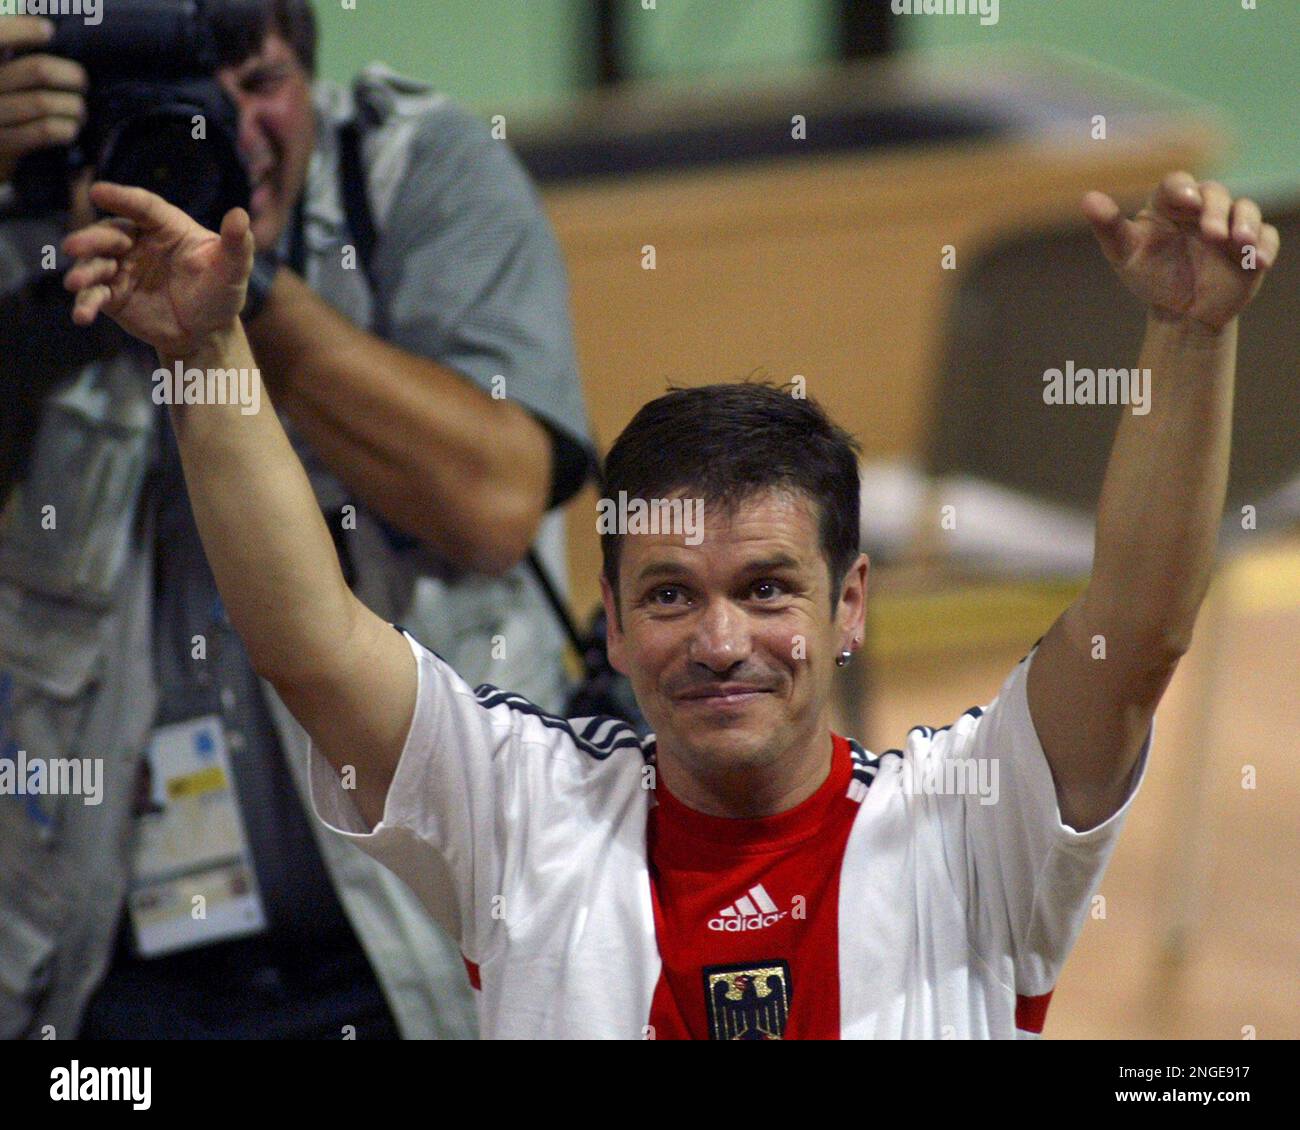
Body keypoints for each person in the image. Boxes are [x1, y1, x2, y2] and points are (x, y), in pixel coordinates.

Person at [59, 170, 1278, 1038]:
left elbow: (1139, 632)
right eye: (670, 595)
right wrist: (208, 355)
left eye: (764, 589)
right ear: (613, 614)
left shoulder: (972, 824)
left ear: (850, 604)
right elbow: (308, 645)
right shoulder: (524, 812)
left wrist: (1187, 339)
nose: (718, 641)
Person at [0, 2, 591, 1039]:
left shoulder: (410, 174)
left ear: (311, 75)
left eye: (257, 84)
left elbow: (495, 501)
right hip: (106, 975)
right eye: (177, 95)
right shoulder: (26, 205)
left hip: (428, 954)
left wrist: (231, 295)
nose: (219, 128)